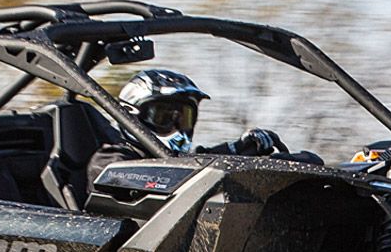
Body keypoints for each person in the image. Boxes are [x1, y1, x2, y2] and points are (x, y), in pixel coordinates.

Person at [85, 68, 303, 181]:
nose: (177, 126)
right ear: (131, 115)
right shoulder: (110, 161)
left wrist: (241, 150)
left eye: (184, 117)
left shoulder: (174, 161)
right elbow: (174, 175)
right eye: (163, 116)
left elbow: (194, 161)